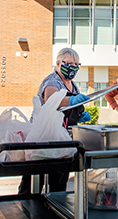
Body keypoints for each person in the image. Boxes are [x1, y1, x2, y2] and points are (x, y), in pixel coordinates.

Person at [18, 47, 91, 196]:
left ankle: (56, 206)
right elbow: (51, 98)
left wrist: (80, 115)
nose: (72, 67)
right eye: (68, 63)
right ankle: (25, 206)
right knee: (33, 177)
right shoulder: (53, 80)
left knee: (59, 176)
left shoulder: (74, 85)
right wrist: (71, 100)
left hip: (62, 137)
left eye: (76, 64)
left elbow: (71, 110)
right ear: (58, 64)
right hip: (42, 137)